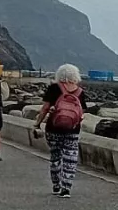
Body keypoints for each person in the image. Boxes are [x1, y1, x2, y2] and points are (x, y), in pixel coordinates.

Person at [32, 64, 87, 198]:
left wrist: (37, 124)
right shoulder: (80, 92)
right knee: (70, 157)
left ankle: (56, 185)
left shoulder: (54, 88)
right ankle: (66, 188)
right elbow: (82, 113)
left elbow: (45, 108)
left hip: (53, 128)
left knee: (55, 155)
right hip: (72, 130)